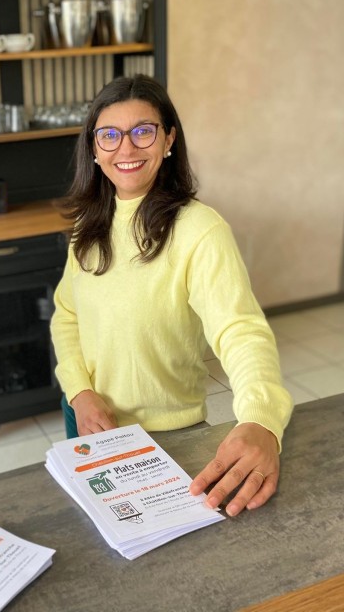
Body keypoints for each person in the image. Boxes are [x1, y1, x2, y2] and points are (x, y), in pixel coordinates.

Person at [50, 74, 293, 518]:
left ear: (168, 140)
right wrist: (80, 393)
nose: (126, 148)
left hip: (168, 434)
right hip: (87, 417)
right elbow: (67, 316)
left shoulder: (199, 230)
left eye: (143, 131)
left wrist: (260, 418)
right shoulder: (89, 224)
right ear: (94, 149)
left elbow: (239, 330)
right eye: (110, 135)